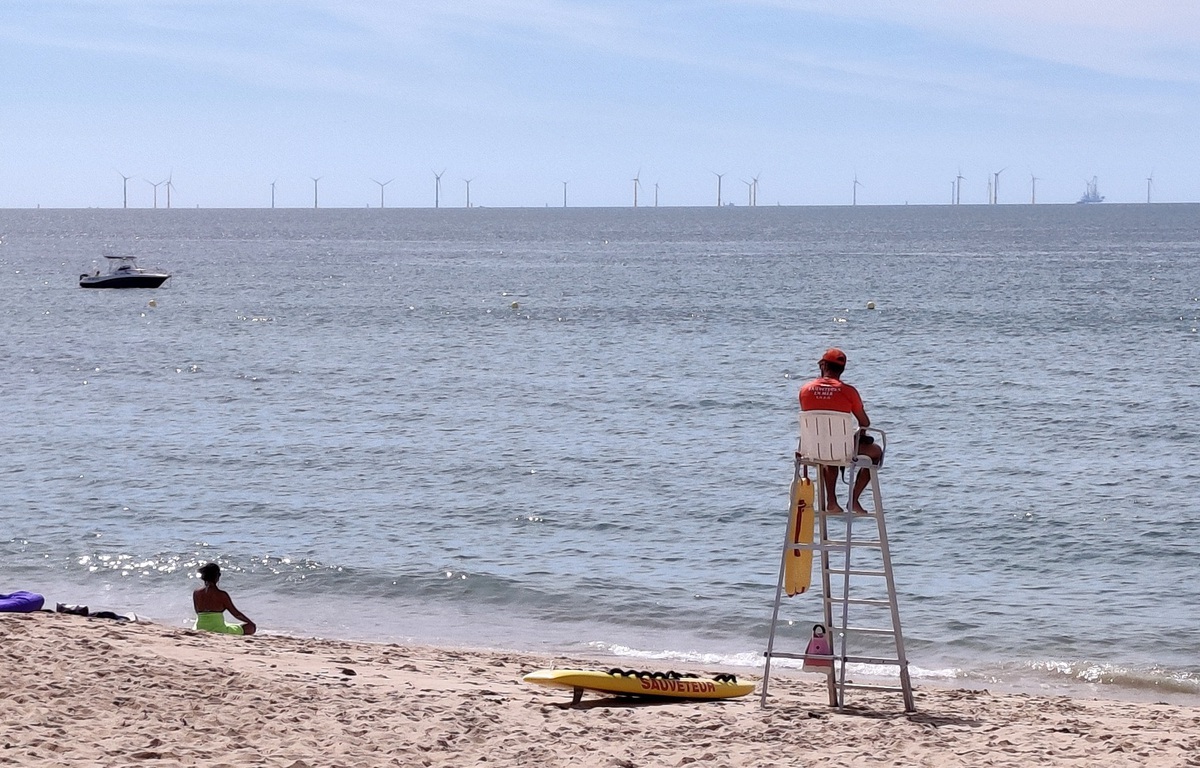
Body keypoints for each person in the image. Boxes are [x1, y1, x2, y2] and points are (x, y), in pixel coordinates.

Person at [798, 348, 883, 514]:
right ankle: (854, 499)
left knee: (828, 452)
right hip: (842, 449)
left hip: (812, 449)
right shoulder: (849, 392)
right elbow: (864, 422)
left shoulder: (805, 390)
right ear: (842, 370)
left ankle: (832, 500)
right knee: (876, 452)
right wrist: (859, 435)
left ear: (823, 365)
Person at [193, 562, 256, 635]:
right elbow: (236, 614)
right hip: (219, 629)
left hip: (200, 627)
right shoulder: (222, 595)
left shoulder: (196, 592)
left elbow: (198, 611)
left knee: (227, 624)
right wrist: (250, 622)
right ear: (218, 576)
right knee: (251, 628)